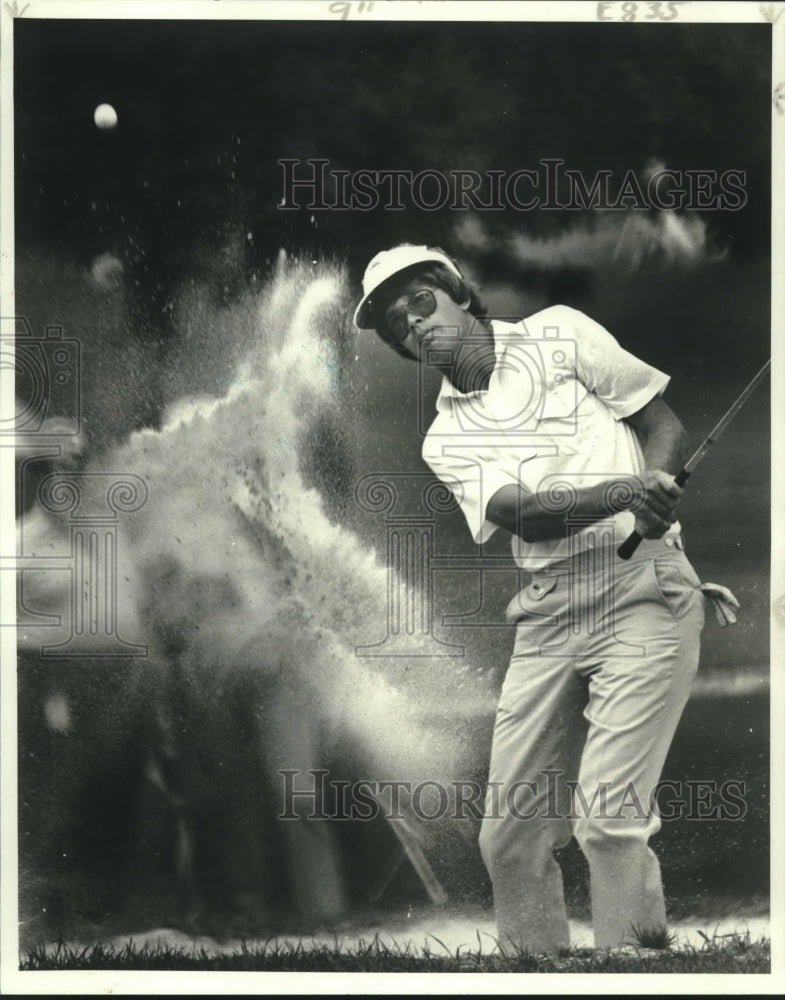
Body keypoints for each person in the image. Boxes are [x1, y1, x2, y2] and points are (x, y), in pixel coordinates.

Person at [354, 243, 738, 953]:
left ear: (459, 294)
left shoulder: (560, 330)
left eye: (420, 301)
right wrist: (627, 491)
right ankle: (536, 971)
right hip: (547, 612)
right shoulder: (445, 437)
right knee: (505, 836)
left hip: (645, 588)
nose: (412, 323)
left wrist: (653, 492)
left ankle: (630, 967)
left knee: (609, 821)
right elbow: (526, 513)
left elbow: (660, 427)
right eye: (394, 323)